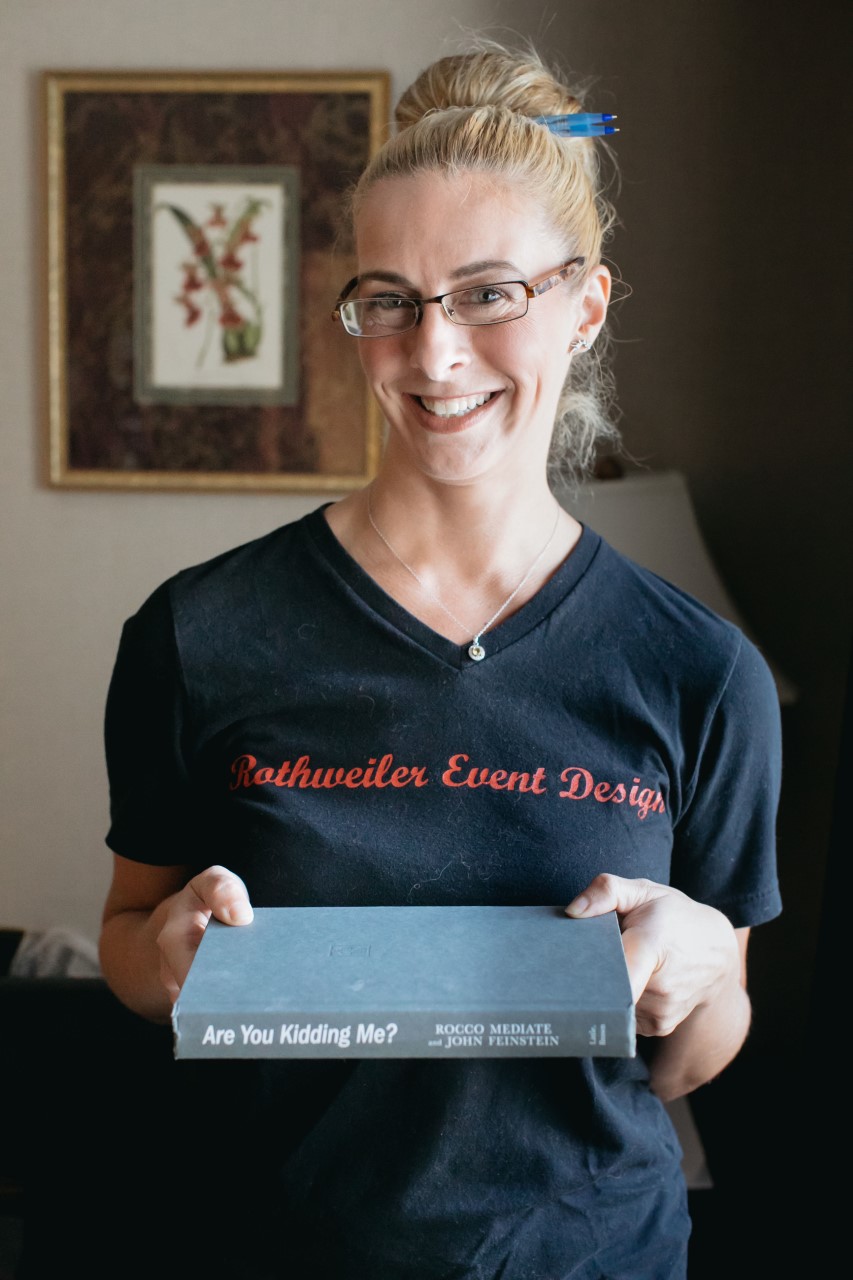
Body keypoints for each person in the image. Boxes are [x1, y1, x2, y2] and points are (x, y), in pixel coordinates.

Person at [98, 43, 782, 1280]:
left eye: (485, 294)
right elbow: (126, 940)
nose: (433, 353)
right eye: (391, 300)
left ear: (584, 304)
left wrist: (696, 967)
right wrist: (164, 954)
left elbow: (694, 1051)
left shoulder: (701, 671)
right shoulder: (197, 633)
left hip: (592, 1256)